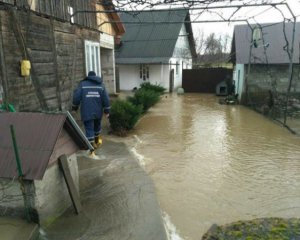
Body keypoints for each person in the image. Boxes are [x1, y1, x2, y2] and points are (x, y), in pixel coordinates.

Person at [72, 71, 110, 148]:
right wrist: (107, 111)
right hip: (98, 112)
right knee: (97, 127)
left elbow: (76, 97)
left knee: (89, 129)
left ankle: (91, 149)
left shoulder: (82, 84)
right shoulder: (101, 85)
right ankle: (98, 143)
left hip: (87, 111)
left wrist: (75, 107)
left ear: (88, 77)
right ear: (95, 76)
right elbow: (106, 99)